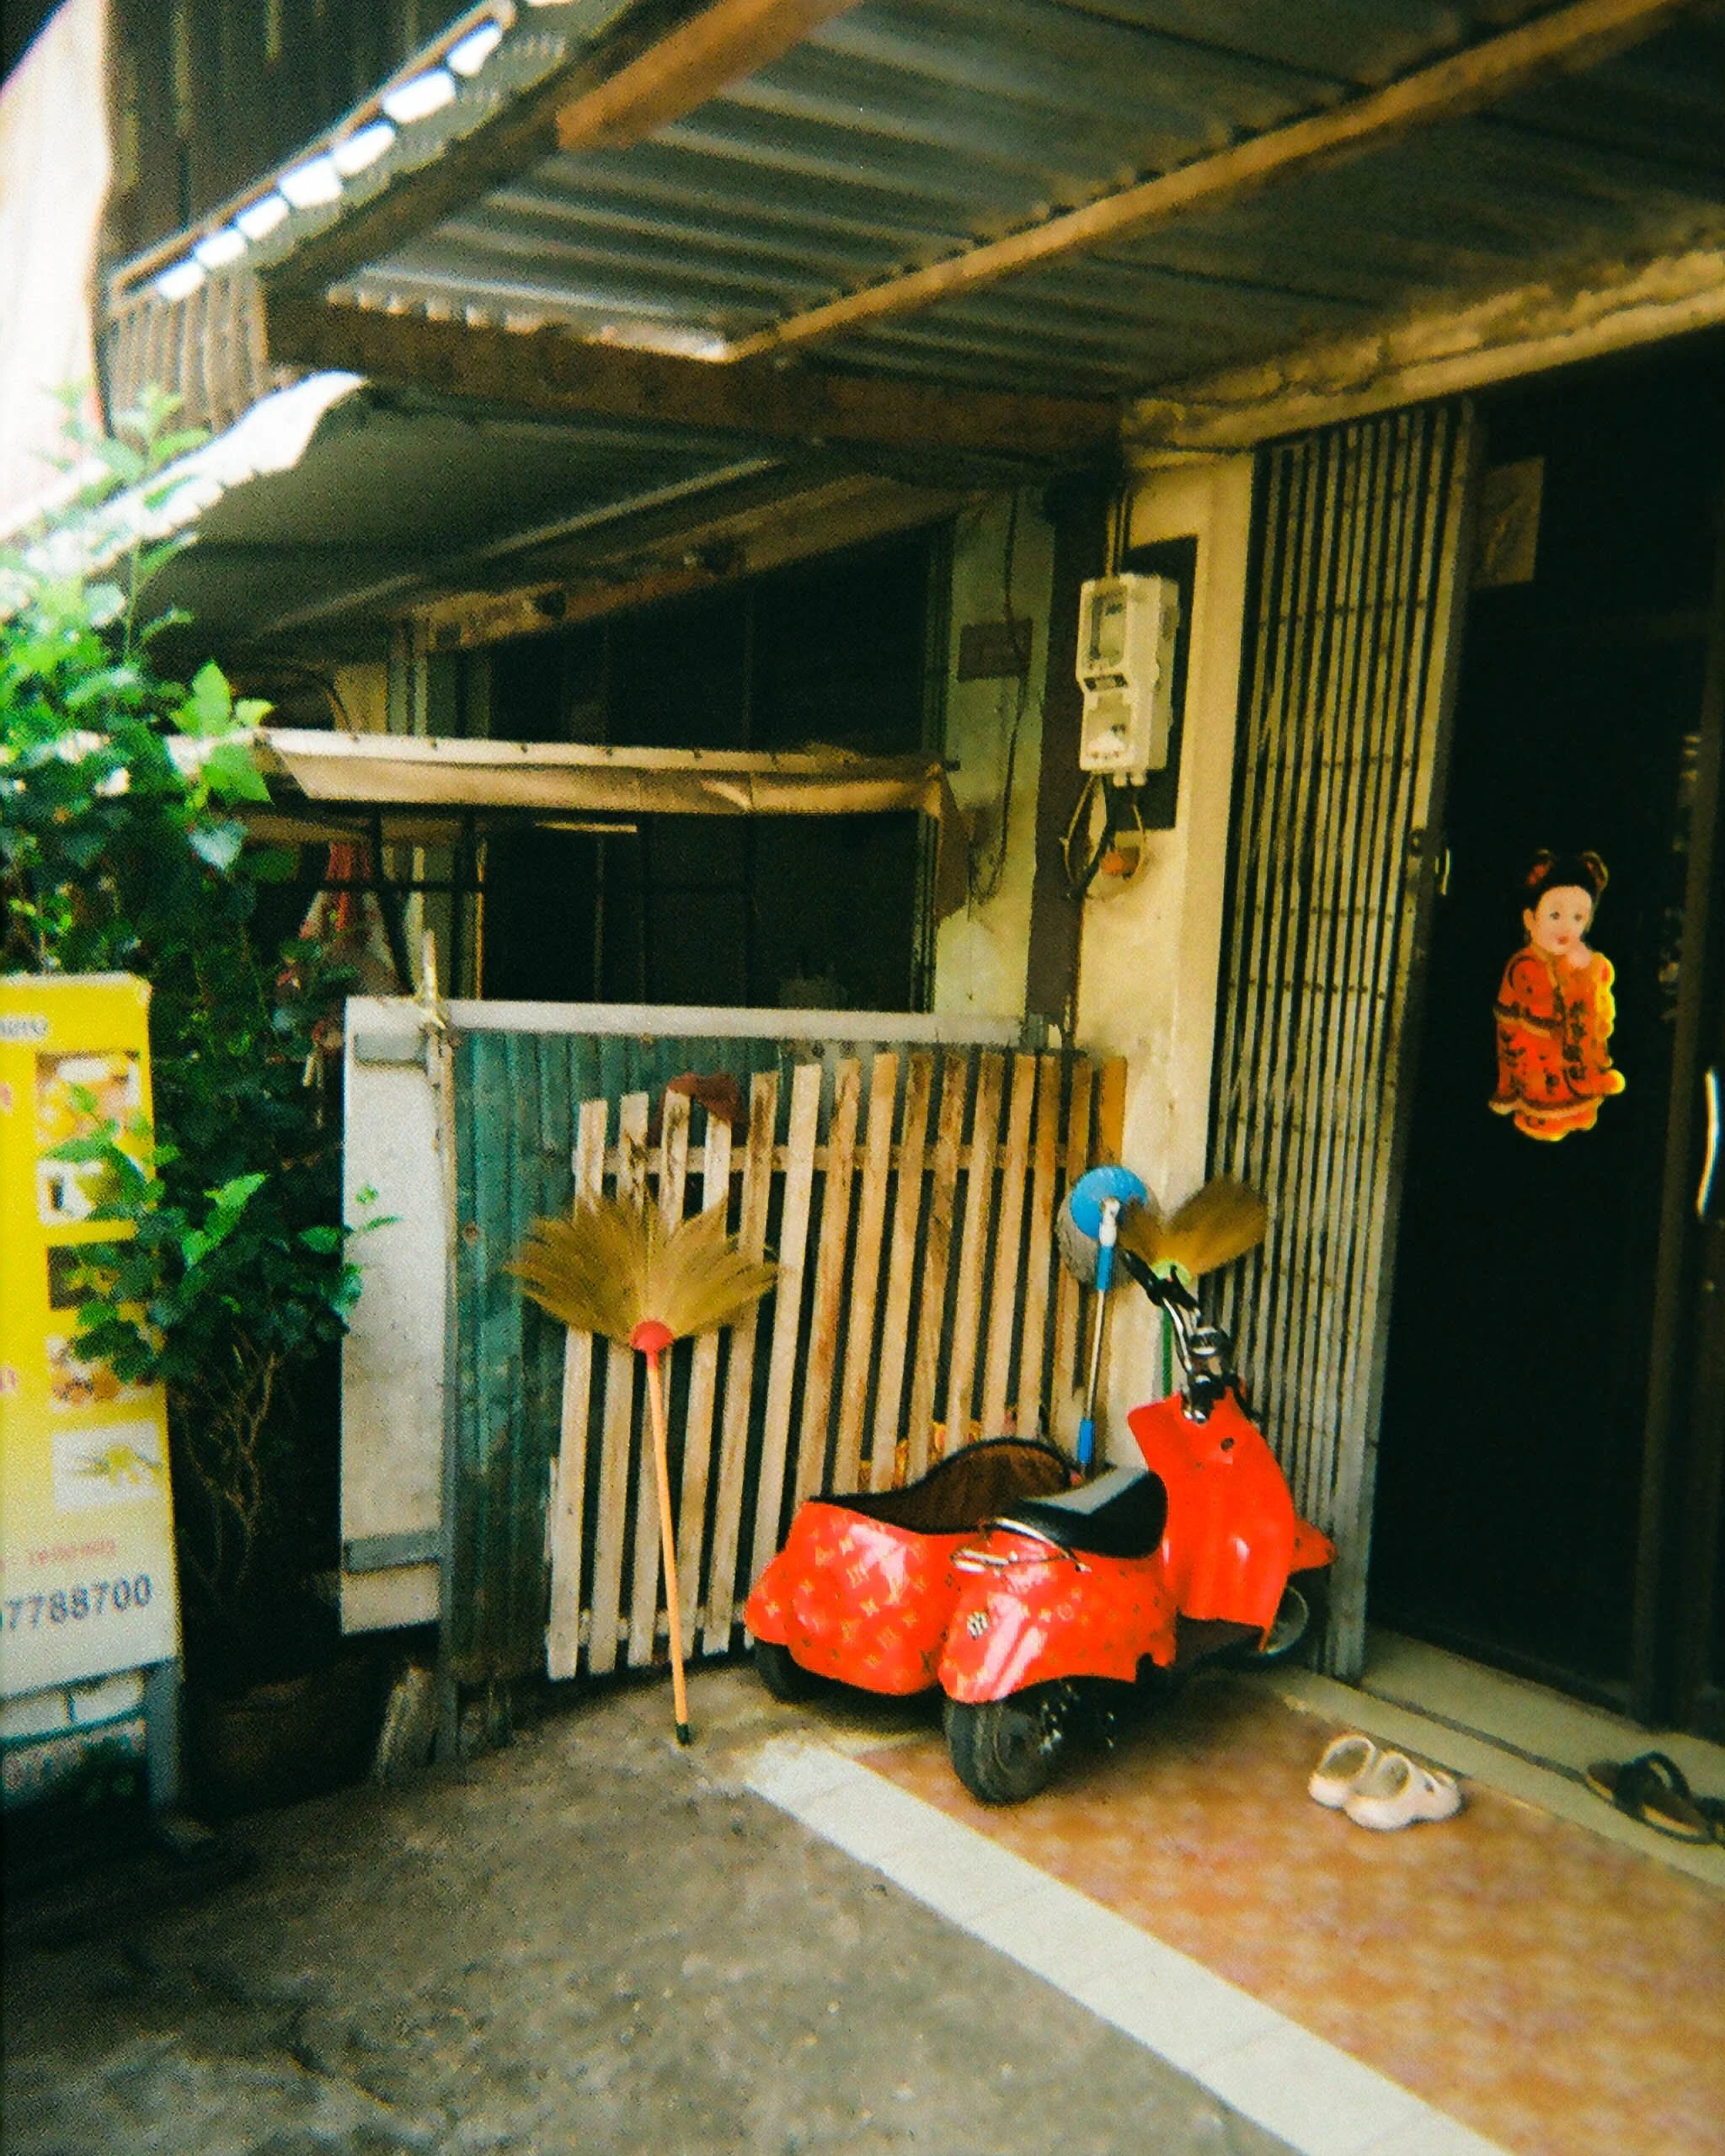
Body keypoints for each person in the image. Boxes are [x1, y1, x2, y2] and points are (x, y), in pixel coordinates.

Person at [1490, 850, 1626, 1140]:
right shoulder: (1526, 966)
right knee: (1546, 1088)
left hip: (1566, 1051)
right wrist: (1576, 978)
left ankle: (1580, 1102)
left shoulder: (1575, 959)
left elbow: (1591, 1009)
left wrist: (1589, 974)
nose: (1567, 927)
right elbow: (1546, 1012)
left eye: (1578, 917)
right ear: (1530, 919)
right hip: (1535, 1052)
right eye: (1555, 915)